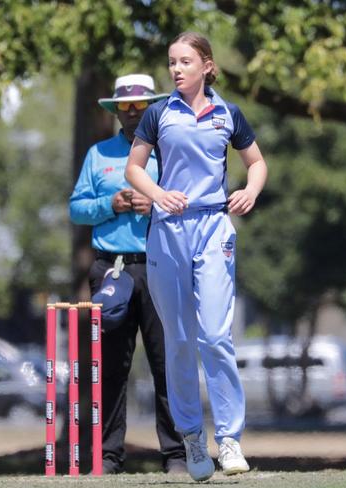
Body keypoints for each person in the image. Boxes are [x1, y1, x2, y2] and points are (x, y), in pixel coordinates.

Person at [125, 32, 268, 481]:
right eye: (172, 62)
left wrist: (250, 190)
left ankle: (229, 440)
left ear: (207, 65)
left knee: (215, 335)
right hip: (167, 232)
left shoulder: (228, 113)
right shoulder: (157, 114)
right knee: (180, 340)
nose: (176, 69)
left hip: (212, 227)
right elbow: (134, 168)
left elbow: (257, 162)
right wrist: (158, 193)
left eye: (185, 61)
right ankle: (191, 438)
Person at [69, 73, 187, 474]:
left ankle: (175, 454)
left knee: (165, 362)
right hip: (112, 270)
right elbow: (76, 209)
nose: (134, 112)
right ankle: (108, 455)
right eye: (126, 106)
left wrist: (153, 205)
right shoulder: (98, 154)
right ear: (117, 110)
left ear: (153, 107)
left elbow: (188, 205)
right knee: (111, 366)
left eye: (141, 105)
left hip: (159, 264)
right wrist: (111, 203)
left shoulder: (169, 153)